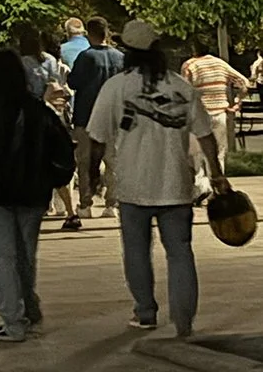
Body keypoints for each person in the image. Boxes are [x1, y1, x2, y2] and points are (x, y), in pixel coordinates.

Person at [88, 19, 229, 337]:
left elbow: (96, 138)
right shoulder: (180, 85)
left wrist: (91, 179)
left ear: (127, 52)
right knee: (180, 252)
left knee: (136, 251)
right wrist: (217, 175)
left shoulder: (116, 87)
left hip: (133, 186)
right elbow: (206, 135)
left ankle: (146, 312)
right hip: (176, 184)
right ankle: (184, 322)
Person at [0, 48, 75, 342]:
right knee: (25, 254)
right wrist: (51, 178)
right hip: (32, 193)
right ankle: (29, 309)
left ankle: (13, 319)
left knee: (3, 255)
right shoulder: (37, 111)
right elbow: (61, 149)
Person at [17, 28, 81, 231]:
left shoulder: (20, 63)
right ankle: (71, 211)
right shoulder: (50, 61)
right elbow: (56, 85)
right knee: (56, 164)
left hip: (28, 118)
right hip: (53, 116)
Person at [68, 16, 123, 218]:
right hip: (113, 117)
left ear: (89, 34)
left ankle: (85, 204)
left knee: (84, 162)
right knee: (113, 161)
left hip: (87, 115)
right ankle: (112, 204)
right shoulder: (119, 57)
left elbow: (73, 82)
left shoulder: (86, 57)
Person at [182, 40, 248, 196]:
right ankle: (218, 188)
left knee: (197, 153)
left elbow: (185, 91)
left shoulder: (190, 65)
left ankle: (201, 187)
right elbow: (244, 83)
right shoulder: (220, 64)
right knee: (218, 152)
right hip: (220, 113)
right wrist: (238, 102)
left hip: (199, 114)